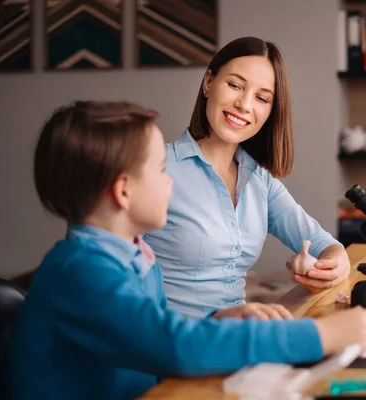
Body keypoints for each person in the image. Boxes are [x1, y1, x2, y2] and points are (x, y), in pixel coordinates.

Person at [7, 101, 366, 400]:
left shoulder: (133, 257)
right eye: (160, 169)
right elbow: (174, 346)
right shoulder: (81, 272)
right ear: (123, 192)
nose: (171, 180)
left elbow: (146, 337)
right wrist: (321, 336)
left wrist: (216, 322)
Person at [144, 37, 351, 319]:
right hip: (175, 349)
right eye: (235, 85)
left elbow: (322, 242)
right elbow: (115, 285)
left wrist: (335, 263)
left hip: (239, 343)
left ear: (270, 111)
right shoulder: (155, 167)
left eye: (262, 98)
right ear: (208, 82)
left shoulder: (259, 180)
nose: (244, 105)